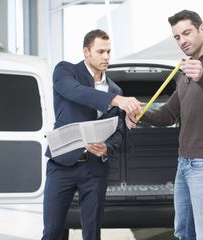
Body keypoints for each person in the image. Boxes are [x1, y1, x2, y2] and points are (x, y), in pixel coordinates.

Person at [126, 10, 203, 240]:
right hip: (185, 162)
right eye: (177, 37)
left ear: (202, 29)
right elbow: (168, 114)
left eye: (186, 33)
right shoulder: (186, 72)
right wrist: (141, 113)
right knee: (183, 231)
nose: (182, 41)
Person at [42, 29, 142, 240]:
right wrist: (116, 101)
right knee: (52, 231)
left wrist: (108, 147)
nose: (106, 57)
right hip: (62, 165)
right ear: (86, 52)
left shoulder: (115, 89)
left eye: (108, 51)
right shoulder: (65, 71)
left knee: (92, 232)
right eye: (100, 52)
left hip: (94, 169)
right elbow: (75, 92)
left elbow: (119, 131)